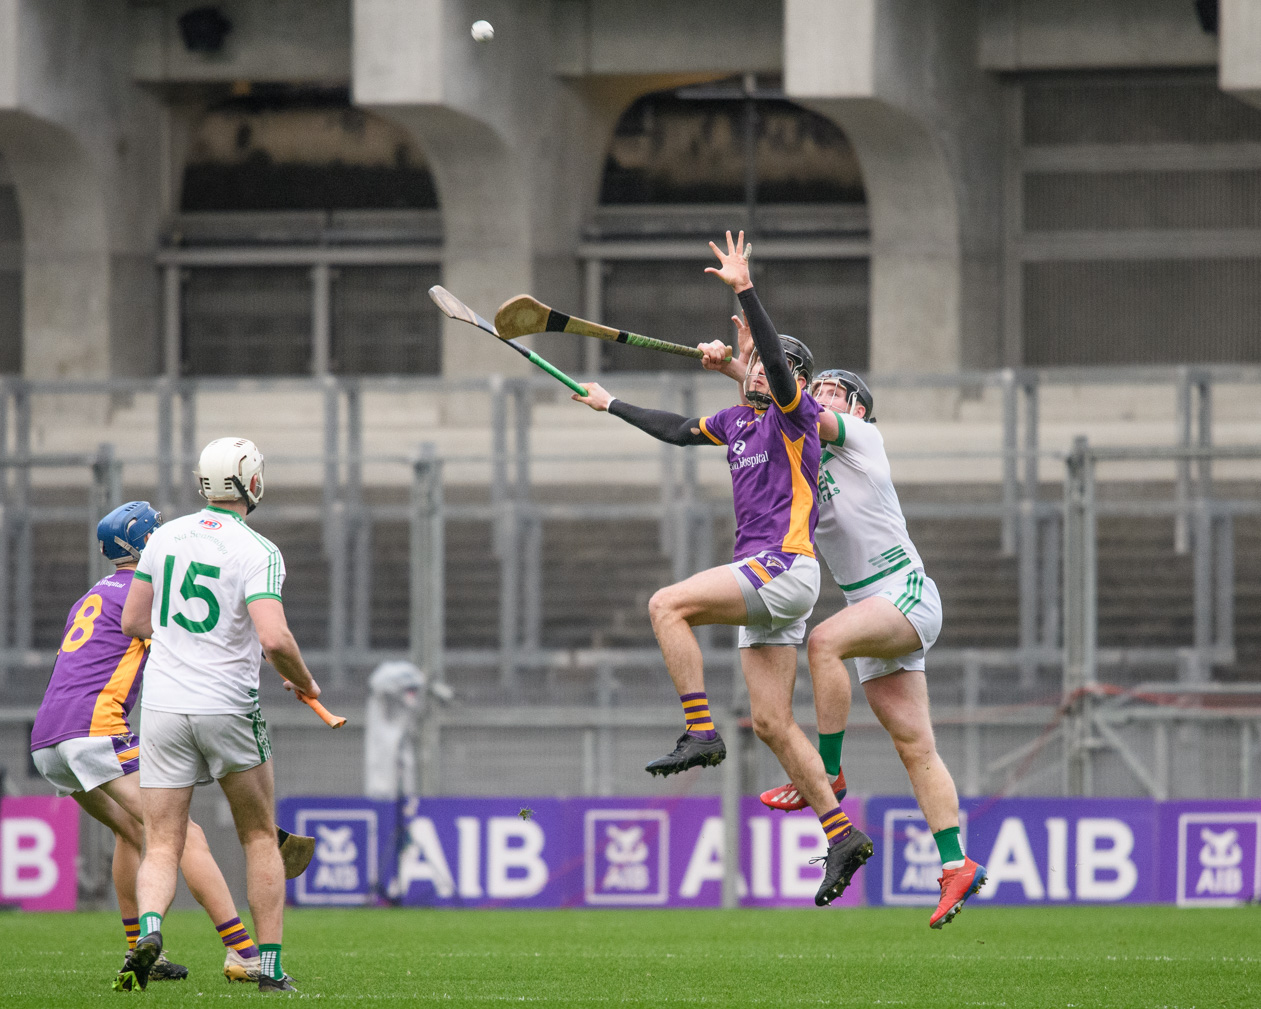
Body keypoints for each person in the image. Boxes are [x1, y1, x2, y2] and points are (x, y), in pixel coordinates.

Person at [570, 231, 873, 907]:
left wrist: (744, 289)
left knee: (665, 604)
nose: (766, 371)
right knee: (770, 723)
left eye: (777, 367)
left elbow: (772, 358)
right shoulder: (735, 422)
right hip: (766, 582)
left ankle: (700, 729)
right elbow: (677, 428)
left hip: (784, 567)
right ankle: (840, 832)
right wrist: (608, 401)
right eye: (760, 366)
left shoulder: (796, 418)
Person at [701, 332, 987, 928]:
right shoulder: (800, 446)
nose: (824, 398)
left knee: (824, 641)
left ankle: (826, 771)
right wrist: (737, 367)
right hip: (873, 608)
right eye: (819, 389)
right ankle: (956, 861)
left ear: (858, 412)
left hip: (902, 590)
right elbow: (780, 399)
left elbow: (794, 398)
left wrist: (739, 364)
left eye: (837, 393)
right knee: (915, 745)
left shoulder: (861, 439)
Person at [30, 501, 264, 987]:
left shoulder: (91, 595)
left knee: (133, 833)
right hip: (94, 728)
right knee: (180, 835)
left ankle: (142, 952)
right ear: (145, 543)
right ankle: (244, 952)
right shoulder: (149, 592)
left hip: (48, 738)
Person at [118, 437, 320, 992]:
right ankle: (270, 969)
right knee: (258, 836)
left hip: (162, 706)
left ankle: (150, 932)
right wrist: (304, 681)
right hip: (228, 706)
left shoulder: (162, 538)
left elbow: (133, 621)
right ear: (253, 483)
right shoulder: (259, 550)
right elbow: (275, 637)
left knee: (162, 841)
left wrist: (180, 648)